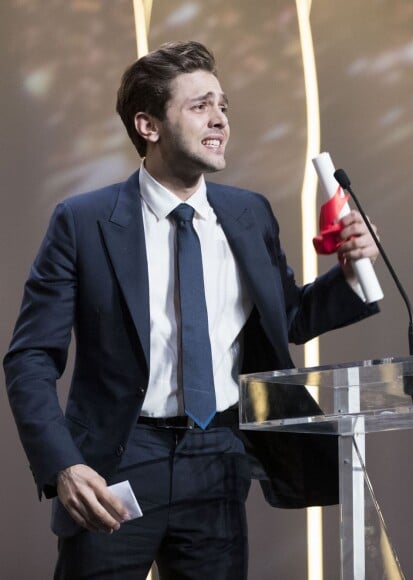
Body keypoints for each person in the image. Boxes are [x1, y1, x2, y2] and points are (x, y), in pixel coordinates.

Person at [4, 40, 380, 579]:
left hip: (220, 456)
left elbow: (289, 319)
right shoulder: (83, 221)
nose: (219, 119)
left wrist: (348, 276)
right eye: (200, 105)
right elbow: (31, 359)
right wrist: (64, 464)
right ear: (149, 126)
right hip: (119, 458)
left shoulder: (249, 213)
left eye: (223, 106)